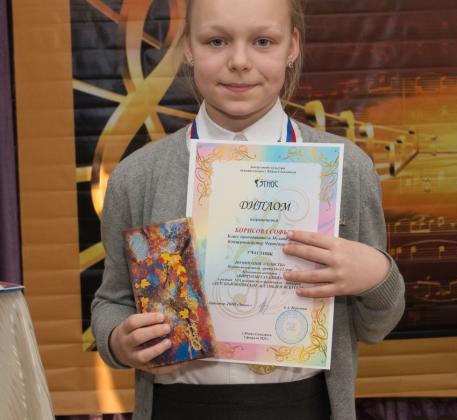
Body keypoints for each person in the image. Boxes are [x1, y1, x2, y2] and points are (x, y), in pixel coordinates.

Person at [91, 0, 405, 419]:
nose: (239, 61)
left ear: (292, 46)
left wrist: (378, 276)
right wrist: (119, 341)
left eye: (262, 41)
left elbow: (375, 325)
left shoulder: (347, 170)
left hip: (303, 406)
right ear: (188, 47)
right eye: (216, 41)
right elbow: (111, 302)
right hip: (179, 407)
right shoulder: (138, 177)